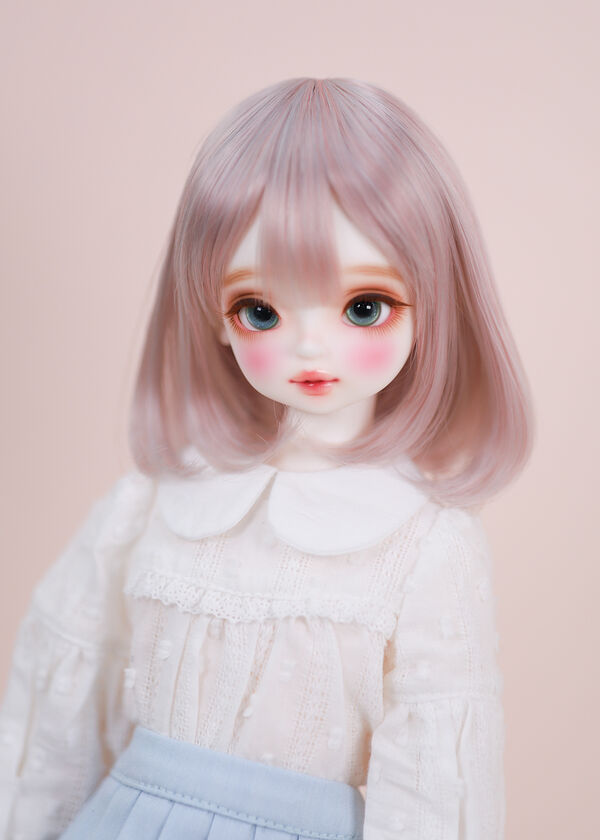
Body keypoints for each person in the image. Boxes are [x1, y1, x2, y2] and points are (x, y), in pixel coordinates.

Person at [0, 77, 534, 839]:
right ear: (214, 315)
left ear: (434, 304)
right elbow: (59, 705)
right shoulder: (155, 502)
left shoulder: (421, 544)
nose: (310, 347)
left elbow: (433, 778)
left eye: (363, 307)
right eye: (261, 311)